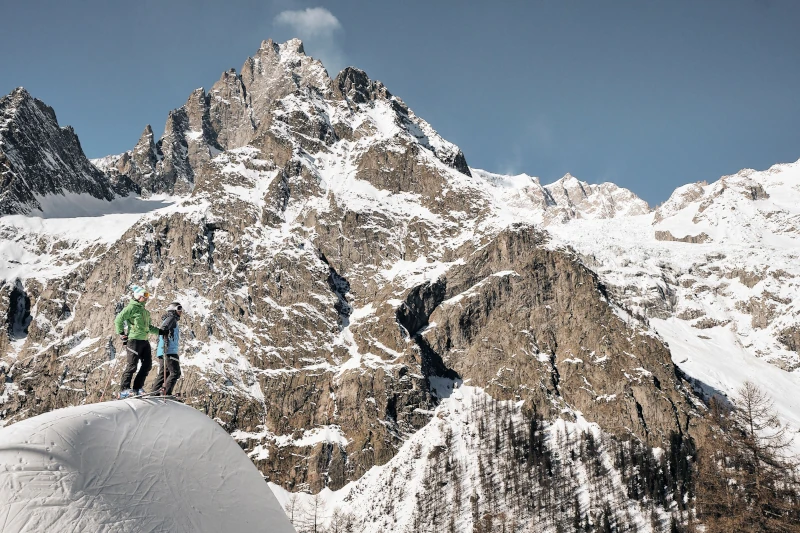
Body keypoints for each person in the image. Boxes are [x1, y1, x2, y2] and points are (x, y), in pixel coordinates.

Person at [113, 285, 161, 398]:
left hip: (144, 340)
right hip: (134, 340)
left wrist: (161, 332)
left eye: (147, 295)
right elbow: (118, 319)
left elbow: (148, 327)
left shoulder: (145, 312)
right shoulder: (131, 308)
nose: (146, 298)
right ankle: (124, 390)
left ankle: (137, 388)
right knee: (132, 365)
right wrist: (121, 334)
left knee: (147, 365)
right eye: (145, 295)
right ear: (138, 296)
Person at [152, 302, 183, 396]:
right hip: (169, 351)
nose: (181, 312)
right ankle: (166, 392)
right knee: (175, 372)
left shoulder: (170, 319)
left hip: (163, 351)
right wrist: (165, 340)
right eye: (179, 309)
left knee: (163, 374)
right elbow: (163, 328)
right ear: (173, 310)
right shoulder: (171, 318)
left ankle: (154, 393)